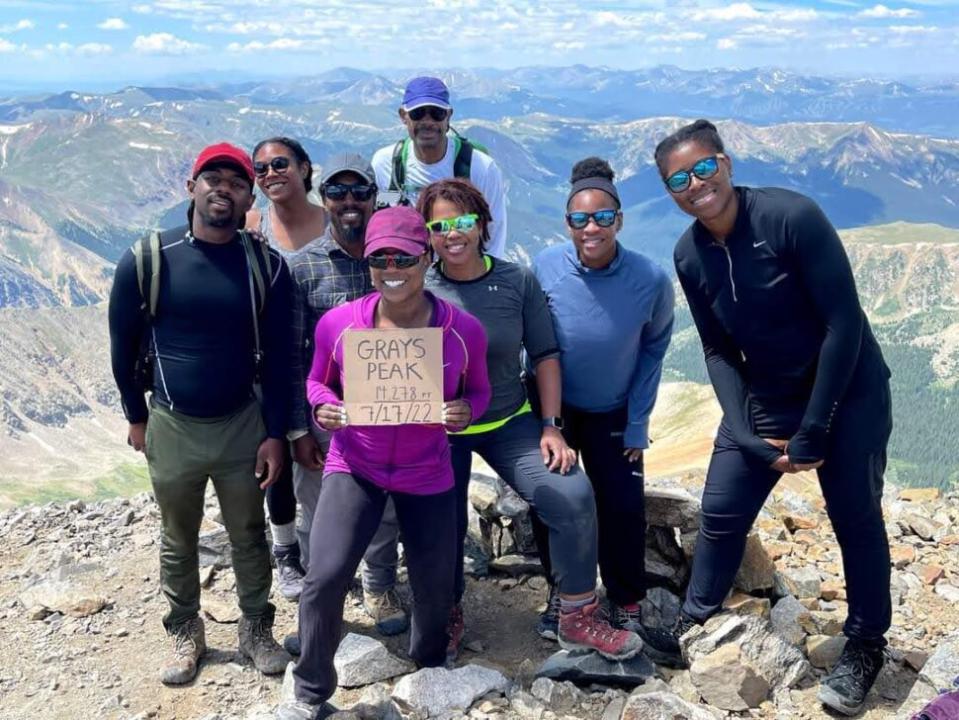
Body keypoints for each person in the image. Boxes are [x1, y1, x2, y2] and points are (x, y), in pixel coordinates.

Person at [655, 119, 893, 716]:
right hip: (767, 396)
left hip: (851, 389)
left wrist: (817, 425)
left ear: (727, 163)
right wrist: (739, 426)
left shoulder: (792, 218)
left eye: (705, 167)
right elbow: (716, 349)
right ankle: (696, 617)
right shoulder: (689, 253)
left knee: (855, 518)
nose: (696, 185)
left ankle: (865, 642)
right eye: (679, 178)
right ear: (669, 190)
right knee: (721, 510)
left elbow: (844, 323)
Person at [276, 206, 491, 720]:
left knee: (435, 580)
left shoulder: (462, 330)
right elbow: (316, 380)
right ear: (367, 261)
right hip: (356, 464)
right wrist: (322, 406)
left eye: (404, 256)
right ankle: (308, 690)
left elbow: (480, 390)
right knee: (325, 576)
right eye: (379, 258)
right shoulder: (339, 324)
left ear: (426, 258)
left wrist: (466, 411)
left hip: (428, 470)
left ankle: (429, 666)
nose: (392, 267)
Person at [415, 177, 643, 661]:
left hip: (508, 419)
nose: (452, 234)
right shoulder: (419, 285)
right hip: (439, 430)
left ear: (481, 225)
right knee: (439, 519)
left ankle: (577, 615)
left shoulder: (515, 280)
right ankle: (444, 611)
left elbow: (544, 354)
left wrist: (552, 426)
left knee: (572, 493)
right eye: (440, 225)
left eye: (463, 221)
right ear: (428, 233)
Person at [108, 142, 292, 685]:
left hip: (243, 423)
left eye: (236, 183)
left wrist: (275, 432)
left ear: (248, 196)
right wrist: (135, 416)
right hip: (171, 421)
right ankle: (185, 634)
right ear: (191, 188)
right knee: (177, 535)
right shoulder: (147, 259)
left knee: (249, 534)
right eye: (213, 178)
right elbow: (122, 345)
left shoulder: (266, 266)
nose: (224, 189)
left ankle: (257, 630)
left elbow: (281, 359)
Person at [531, 157, 677, 664]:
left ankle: (627, 601)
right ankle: (563, 595)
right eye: (579, 219)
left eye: (601, 217)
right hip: (556, 409)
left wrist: (638, 421)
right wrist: (545, 421)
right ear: (567, 223)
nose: (590, 228)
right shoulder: (547, 265)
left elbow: (654, 349)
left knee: (622, 507)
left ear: (619, 219)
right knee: (555, 501)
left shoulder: (650, 279)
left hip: (615, 411)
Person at [283, 152, 411, 639]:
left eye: (360, 191)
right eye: (338, 192)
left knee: (384, 509)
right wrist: (299, 426)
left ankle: (378, 587)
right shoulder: (301, 268)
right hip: (326, 418)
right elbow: (291, 356)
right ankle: (323, 605)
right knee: (320, 515)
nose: (350, 201)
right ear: (324, 199)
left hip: (391, 416)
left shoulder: (397, 259)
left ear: (374, 197)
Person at [246, 136, 327, 601]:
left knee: (322, 464)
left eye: (281, 164)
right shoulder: (252, 225)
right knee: (277, 450)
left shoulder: (335, 221)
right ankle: (285, 550)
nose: (271, 173)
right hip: (271, 359)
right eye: (262, 169)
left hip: (324, 364)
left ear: (304, 168)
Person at [371, 76, 508, 258]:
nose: (428, 121)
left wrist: (486, 279)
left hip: (461, 271)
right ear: (404, 116)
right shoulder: (384, 163)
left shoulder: (480, 166)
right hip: (408, 271)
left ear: (448, 115)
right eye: (418, 113)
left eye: (436, 113)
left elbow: (494, 227)